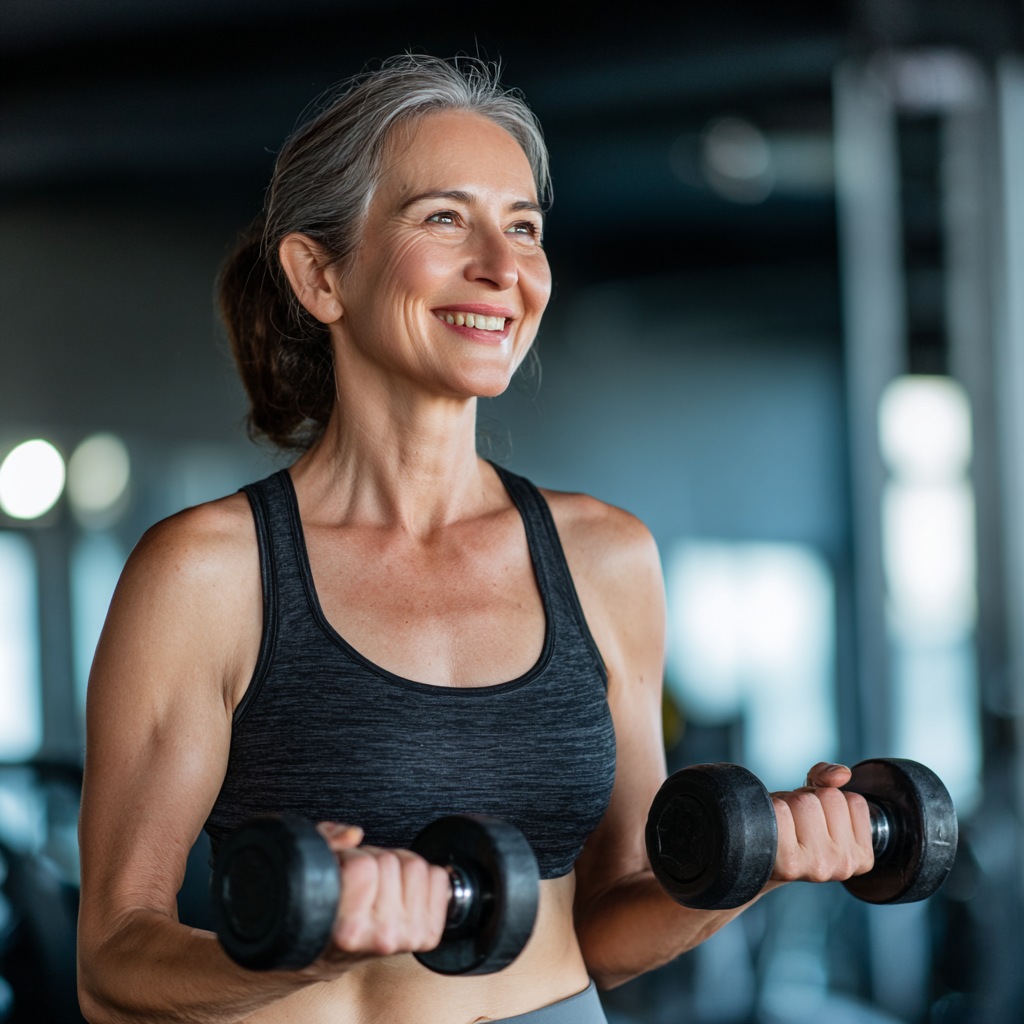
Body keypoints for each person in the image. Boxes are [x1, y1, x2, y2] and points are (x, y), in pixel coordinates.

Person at [76, 56, 874, 1024]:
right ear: (319, 274)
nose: (503, 268)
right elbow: (115, 960)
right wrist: (302, 953)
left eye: (524, 226)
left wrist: (755, 863)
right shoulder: (210, 571)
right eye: (444, 218)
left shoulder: (603, 557)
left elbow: (609, 928)